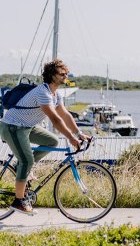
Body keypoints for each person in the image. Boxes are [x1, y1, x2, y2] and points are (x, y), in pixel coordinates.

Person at [0, 59, 90, 215]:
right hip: (13, 126)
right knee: (26, 160)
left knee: (52, 141)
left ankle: (21, 168)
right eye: (62, 73)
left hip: (27, 126)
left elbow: (65, 115)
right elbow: (55, 119)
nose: (65, 76)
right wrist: (70, 137)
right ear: (51, 75)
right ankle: (19, 201)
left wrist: (78, 133)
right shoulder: (43, 92)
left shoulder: (56, 94)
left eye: (66, 73)